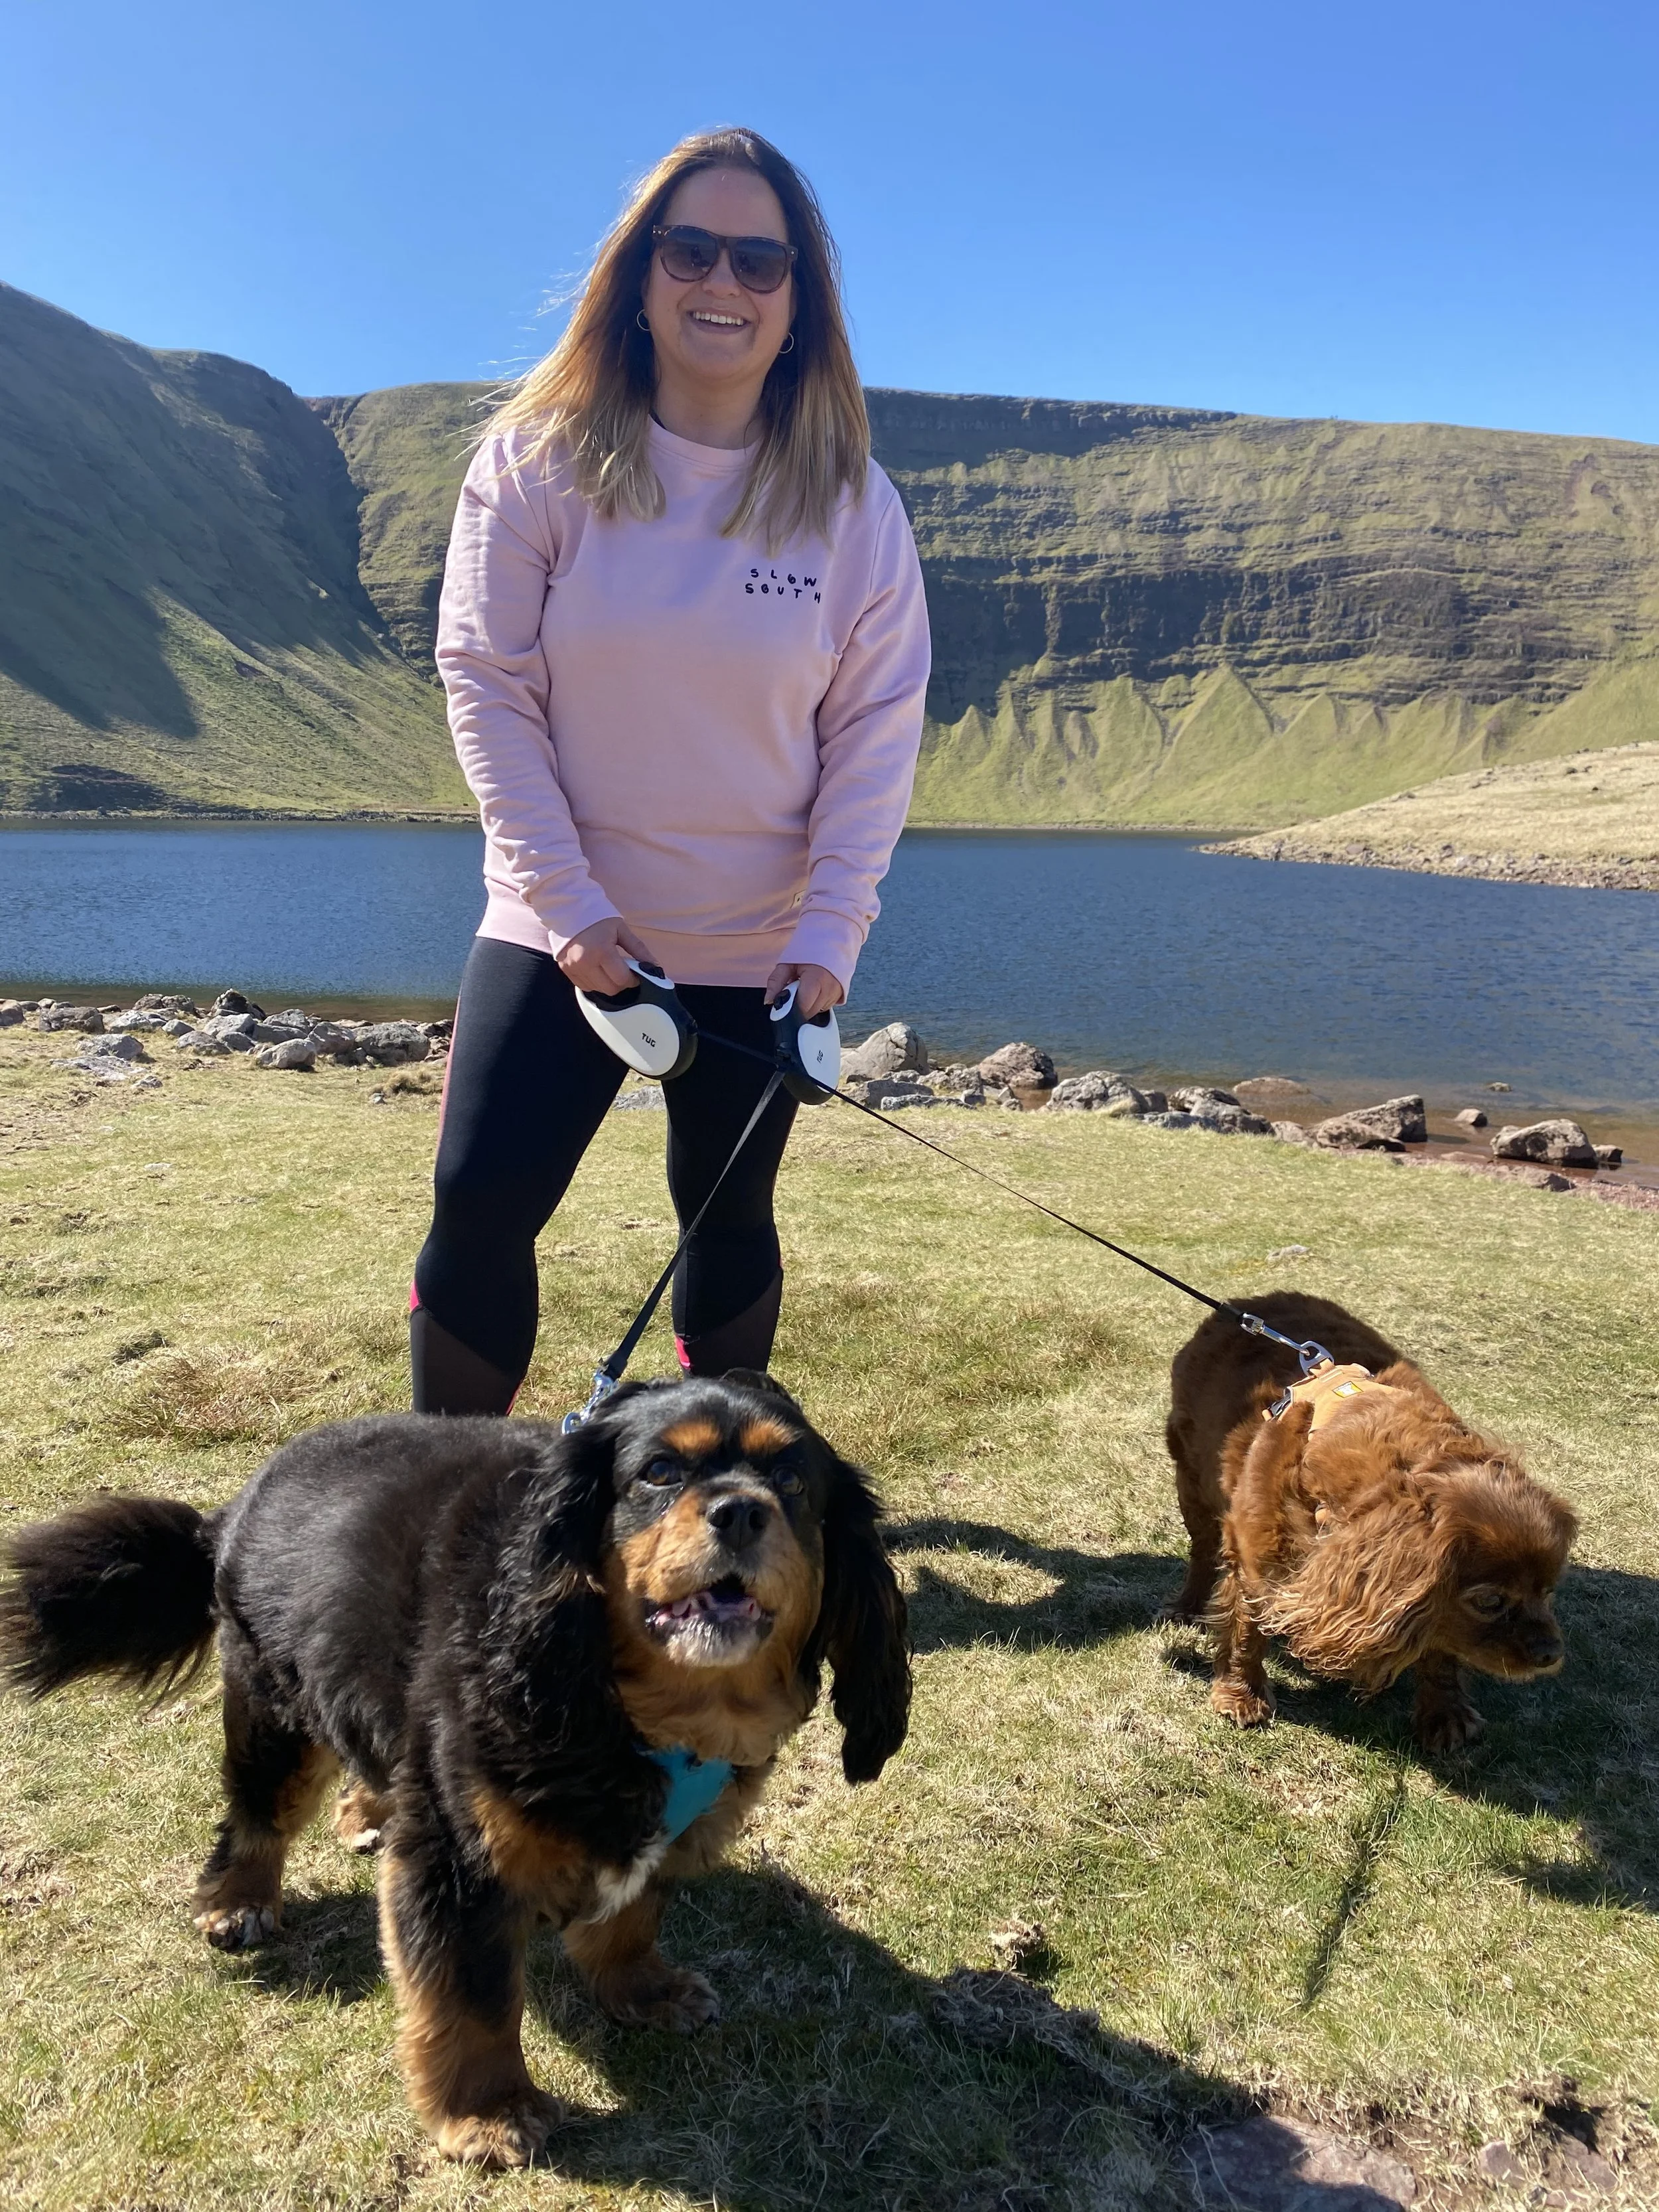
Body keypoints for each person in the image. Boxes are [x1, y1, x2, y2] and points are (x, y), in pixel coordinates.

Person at [410, 125, 932, 1415]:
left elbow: (875, 731)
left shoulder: (853, 506)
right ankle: (445, 1505)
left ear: (798, 303)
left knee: (727, 1219)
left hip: (758, 955)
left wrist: (828, 936)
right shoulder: (533, 463)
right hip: (557, 928)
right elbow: (487, 682)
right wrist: (573, 913)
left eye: (762, 261)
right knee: (478, 1199)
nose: (724, 282)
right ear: (636, 278)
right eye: (688, 248)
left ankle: (727, 1497)